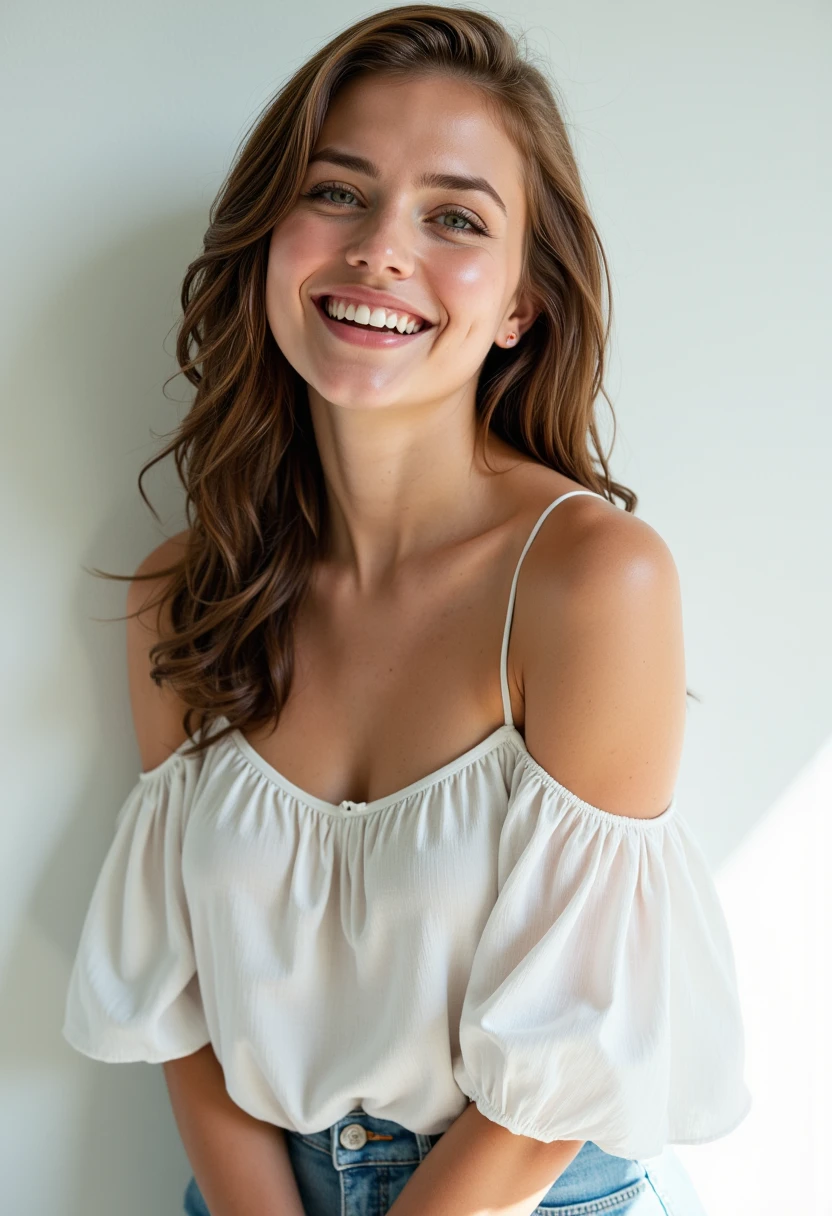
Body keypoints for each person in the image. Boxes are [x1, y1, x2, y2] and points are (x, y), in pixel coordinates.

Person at [62, 6, 752, 1214]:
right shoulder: (189, 590)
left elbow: (566, 1066)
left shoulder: (592, 578)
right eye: (337, 191)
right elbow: (182, 1011)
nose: (382, 250)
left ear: (519, 307)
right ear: (269, 238)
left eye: (453, 217)